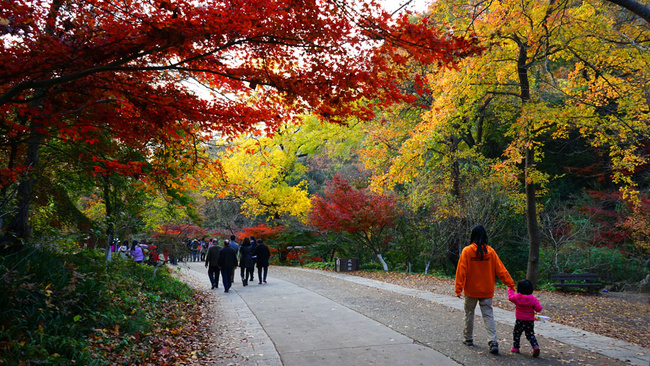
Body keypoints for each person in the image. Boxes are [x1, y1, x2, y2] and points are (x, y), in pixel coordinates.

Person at [454, 225, 515, 355]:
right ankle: (493, 341)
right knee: (488, 315)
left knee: (469, 313)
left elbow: (461, 271)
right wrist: (510, 284)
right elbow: (501, 270)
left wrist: (458, 289)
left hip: (471, 291)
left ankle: (468, 338)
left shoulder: (467, 251)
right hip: (487, 291)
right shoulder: (490, 252)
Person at [508, 279, 542, 357]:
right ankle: (535, 346)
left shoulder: (517, 297)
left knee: (516, 333)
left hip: (519, 320)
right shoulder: (533, 299)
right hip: (529, 321)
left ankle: (516, 347)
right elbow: (539, 309)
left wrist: (510, 289)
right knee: (530, 334)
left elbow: (510, 297)